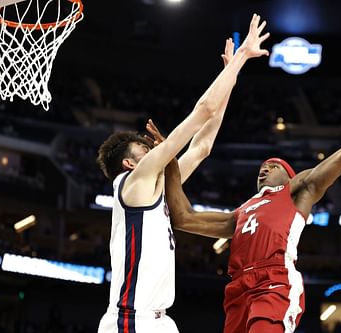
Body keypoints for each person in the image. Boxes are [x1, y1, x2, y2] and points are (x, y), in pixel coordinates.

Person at [162, 73, 341, 333]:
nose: (264, 168)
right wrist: (170, 165)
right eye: (262, 166)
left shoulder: (299, 190)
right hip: (238, 289)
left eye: (273, 165)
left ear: (291, 176)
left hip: (274, 283)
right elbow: (183, 218)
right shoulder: (241, 213)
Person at [95, 14, 270, 333]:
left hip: (160, 320)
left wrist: (230, 76)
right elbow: (202, 111)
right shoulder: (133, 182)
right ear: (130, 164)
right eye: (143, 149)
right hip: (131, 319)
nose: (151, 149)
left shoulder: (157, 186)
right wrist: (241, 58)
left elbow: (201, 147)